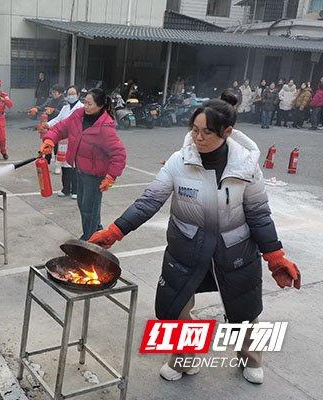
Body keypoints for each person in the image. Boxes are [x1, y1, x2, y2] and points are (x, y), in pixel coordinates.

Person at [89, 98, 300, 385]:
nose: (197, 137)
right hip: (186, 248)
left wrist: (274, 255)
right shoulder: (180, 161)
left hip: (234, 249)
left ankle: (250, 358)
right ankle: (184, 359)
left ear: (226, 132)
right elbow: (149, 201)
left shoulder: (247, 166)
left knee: (244, 309)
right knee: (175, 308)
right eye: (194, 129)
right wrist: (116, 231)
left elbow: (259, 214)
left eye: (206, 132)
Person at [39, 88, 127, 240]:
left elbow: (119, 154)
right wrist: (49, 140)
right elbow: (61, 128)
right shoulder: (78, 115)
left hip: (95, 176)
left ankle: (89, 240)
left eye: (89, 104)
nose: (85, 106)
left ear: (100, 106)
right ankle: (97, 231)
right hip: (79, 170)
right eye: (85, 102)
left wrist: (111, 176)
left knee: (89, 209)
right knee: (83, 204)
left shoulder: (105, 128)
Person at [46, 85, 85, 199]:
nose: (70, 96)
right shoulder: (65, 108)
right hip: (63, 141)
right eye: (69, 94)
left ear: (78, 95)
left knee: (73, 165)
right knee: (64, 164)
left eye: (73, 93)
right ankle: (66, 188)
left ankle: (75, 190)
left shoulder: (81, 108)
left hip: (76, 140)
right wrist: (47, 125)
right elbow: (58, 120)